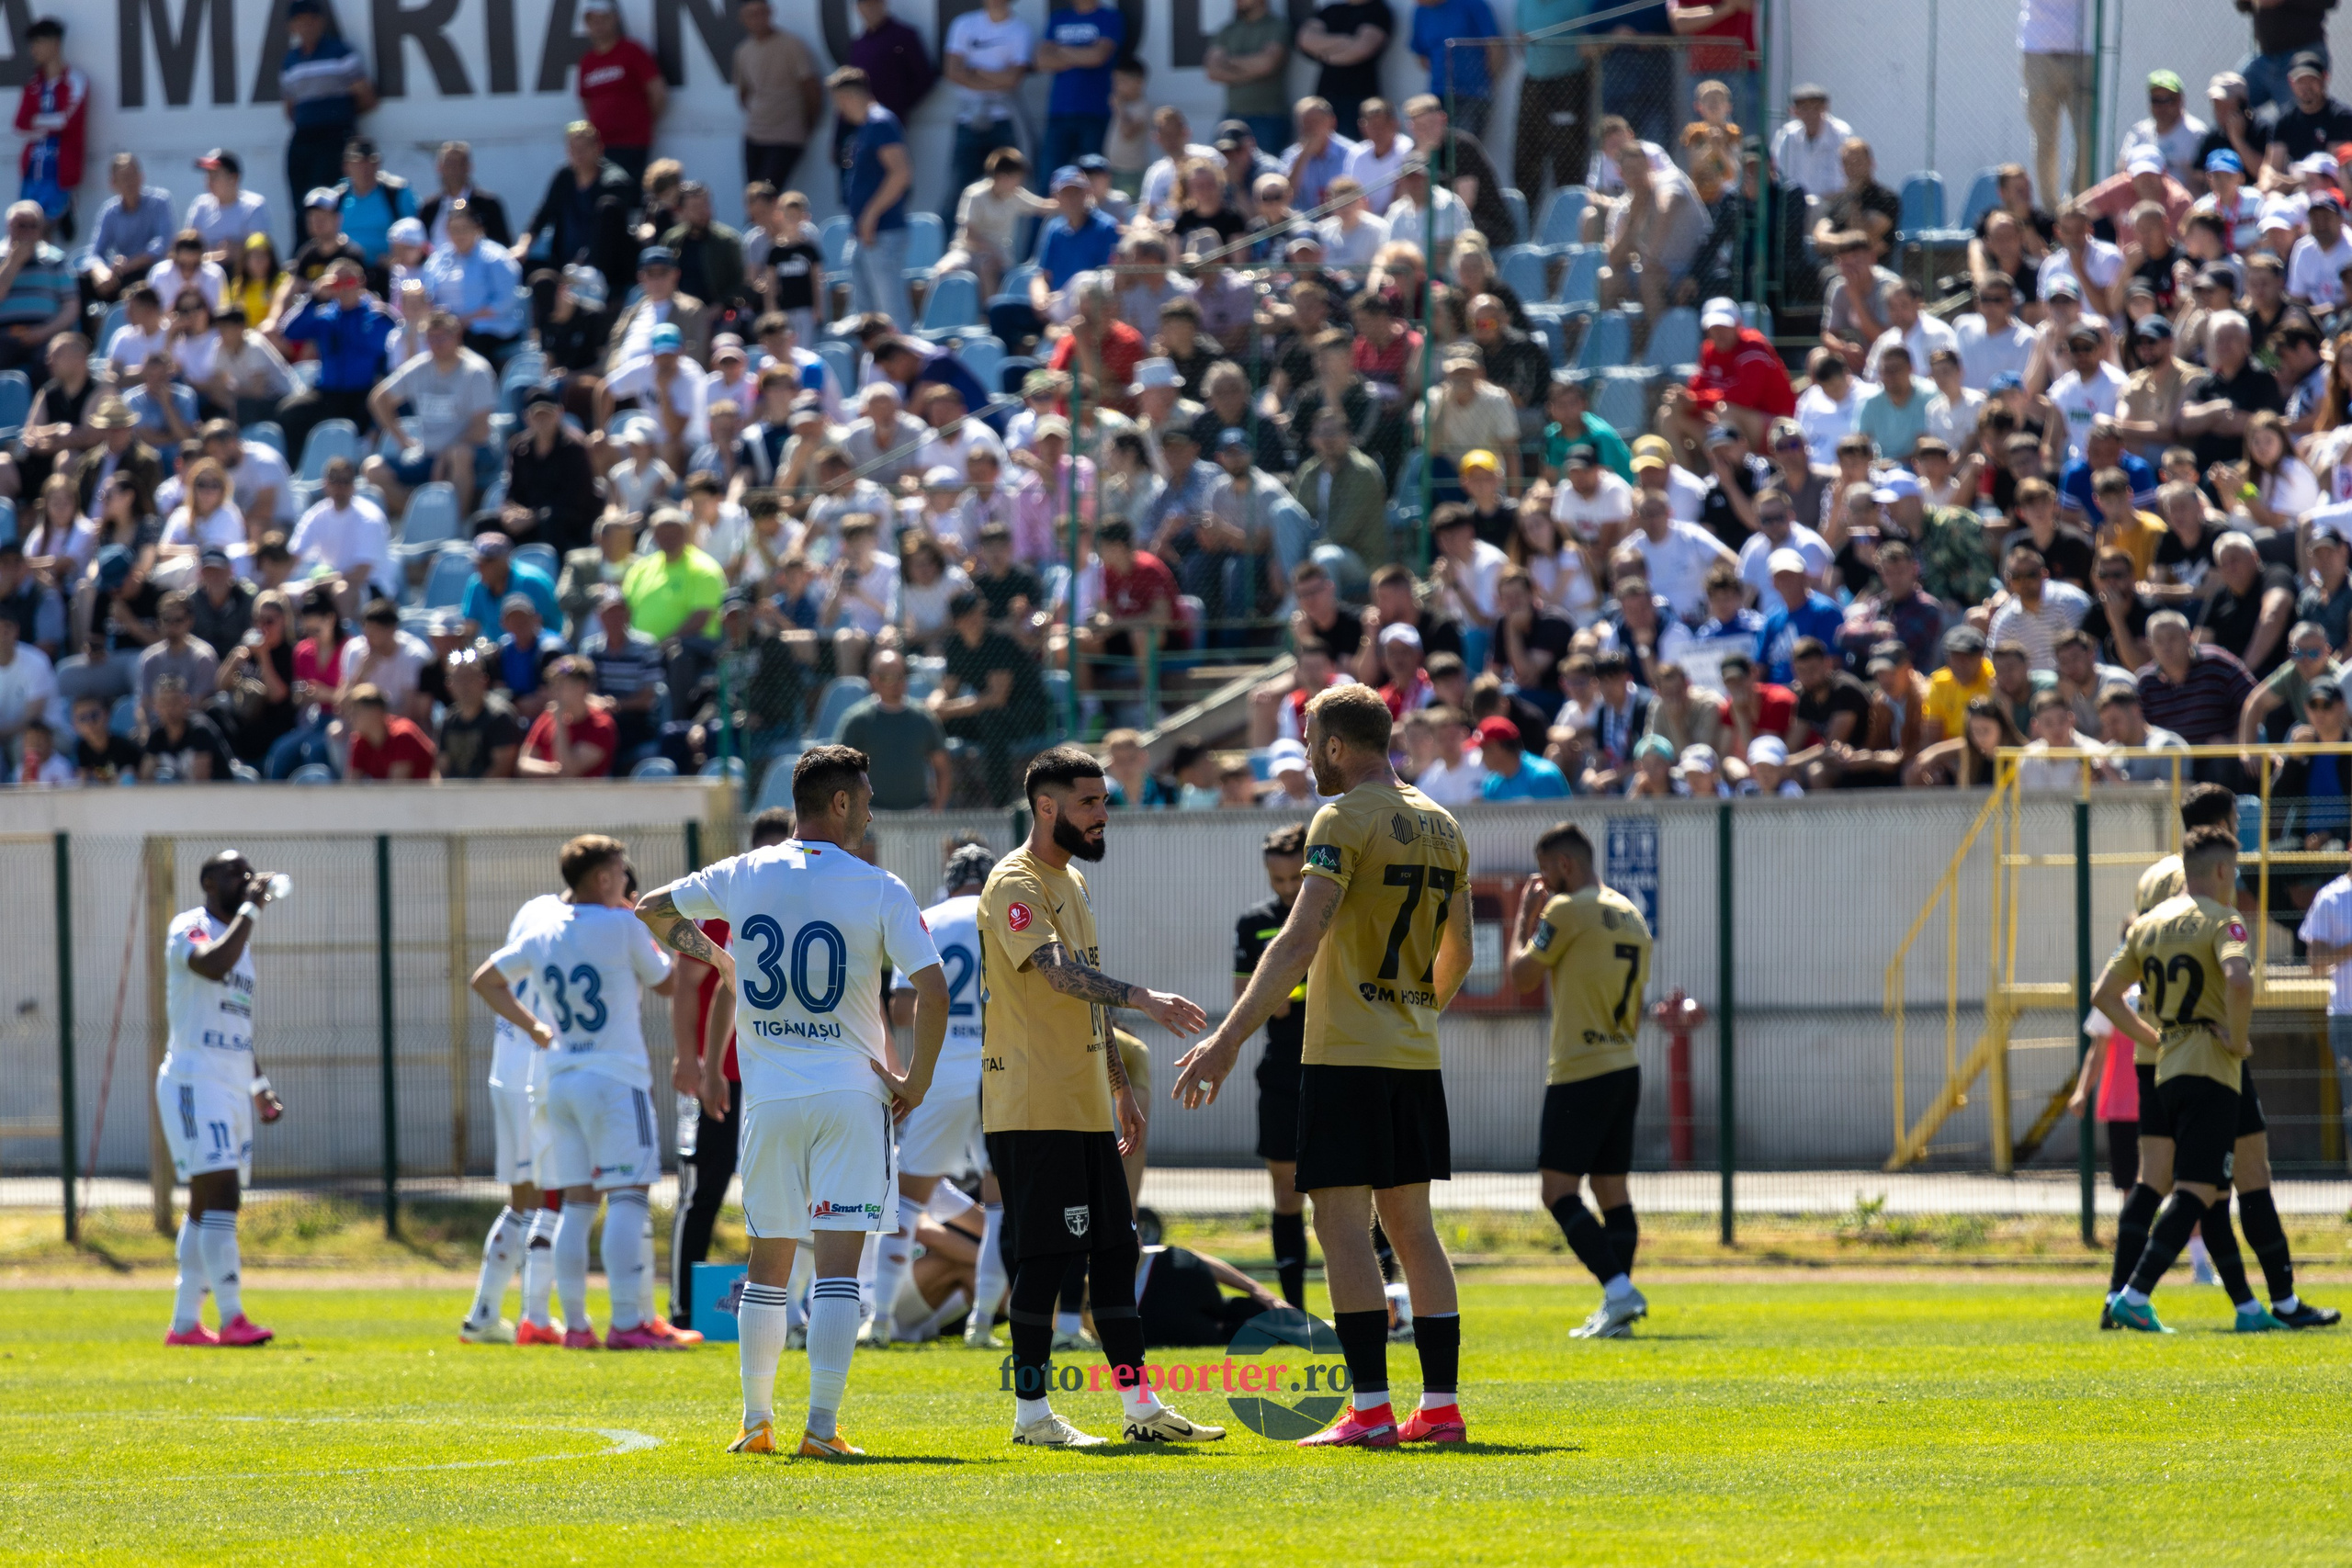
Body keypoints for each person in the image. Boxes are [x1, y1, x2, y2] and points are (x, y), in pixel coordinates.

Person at [1174, 684, 1471, 1447]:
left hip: (1346, 1052)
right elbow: (1460, 951)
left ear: (1338, 745)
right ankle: (1440, 1408)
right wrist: (1411, 1009)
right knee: (1413, 1228)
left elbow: (1299, 937)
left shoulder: (1341, 816)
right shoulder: (1443, 823)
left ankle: (1370, 1410)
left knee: (1339, 1221)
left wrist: (1228, 1038)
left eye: (1310, 740)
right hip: (1413, 1051)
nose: (1307, 757)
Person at [948, 745, 1218, 1445]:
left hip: (1084, 1105)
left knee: (1115, 1250)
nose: (1104, 815)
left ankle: (1140, 1410)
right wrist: (1144, 997)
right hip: (1033, 1105)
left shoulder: (1071, 882)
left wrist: (1119, 1087)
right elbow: (1059, 974)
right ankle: (1032, 1415)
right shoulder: (1015, 881)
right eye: (1089, 803)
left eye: (1103, 802)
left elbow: (1085, 996)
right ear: (1047, 807)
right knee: (1046, 1258)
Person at [469, 836, 675, 1352]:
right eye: (622, 872)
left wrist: (536, 1026)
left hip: (559, 1079)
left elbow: (485, 980)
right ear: (604, 878)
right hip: (614, 1078)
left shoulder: (542, 931)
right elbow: (669, 983)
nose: (629, 882)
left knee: (576, 1204)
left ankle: (577, 1327)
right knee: (628, 1196)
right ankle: (628, 1323)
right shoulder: (623, 924)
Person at [2094, 827, 2257, 1333]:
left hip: (2162, 1065)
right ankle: (2134, 1294)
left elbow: (2104, 995)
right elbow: (2239, 980)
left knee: (2161, 1184)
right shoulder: (2223, 920)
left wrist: (2151, 1034)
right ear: (2224, 871)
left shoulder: (2145, 925)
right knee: (2197, 1188)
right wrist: (2236, 1038)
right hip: (2209, 1064)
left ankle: (2249, 1309)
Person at [1508, 820, 1653, 1337]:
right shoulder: (1632, 914)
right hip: (1623, 1064)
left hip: (1579, 1071)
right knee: (1612, 1191)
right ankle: (1620, 1307)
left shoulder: (1565, 910)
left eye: (1547, 872)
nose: (1545, 882)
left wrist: (1525, 914)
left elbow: (1522, 975)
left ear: (1564, 864)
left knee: (1556, 1191)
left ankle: (1617, 1290)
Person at [657, 804, 796, 1337]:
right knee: (703, 1189)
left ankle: (785, 1308)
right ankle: (684, 1310)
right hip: (723, 1073)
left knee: (785, 1190)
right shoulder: (723, 900)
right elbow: (691, 983)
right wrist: (689, 1059)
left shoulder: (802, 898)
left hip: (778, 1071)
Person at [868, 844, 1002, 1344]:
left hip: (943, 1068)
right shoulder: (1009, 915)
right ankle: (983, 1322)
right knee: (1000, 1205)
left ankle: (879, 1321)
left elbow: (903, 1009)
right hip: (1000, 1069)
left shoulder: (930, 916)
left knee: (905, 1200)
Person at [157, 850, 288, 1348]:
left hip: (231, 1083)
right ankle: (233, 1317)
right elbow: (211, 967)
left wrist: (258, 1086)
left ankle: (186, 1324)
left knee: (204, 1205)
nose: (247, 878)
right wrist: (251, 912)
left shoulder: (242, 942)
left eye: (249, 872)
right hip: (195, 1081)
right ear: (208, 881)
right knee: (224, 1196)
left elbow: (235, 1022)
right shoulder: (190, 927)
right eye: (235, 872)